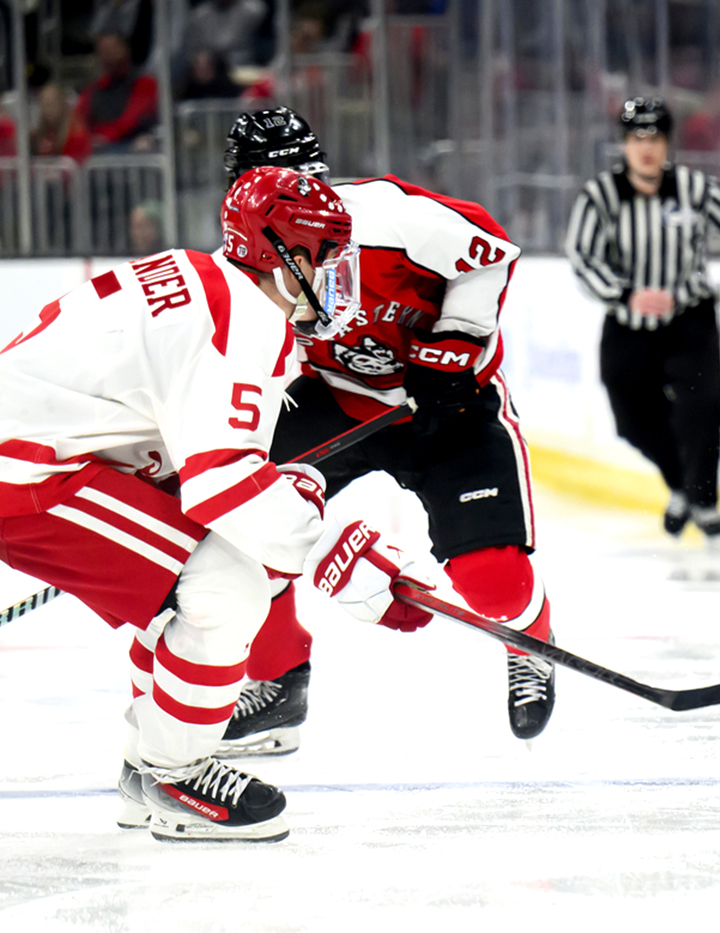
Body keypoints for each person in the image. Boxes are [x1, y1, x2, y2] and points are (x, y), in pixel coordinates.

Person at [0, 166, 431, 841]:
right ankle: (176, 774)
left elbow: (204, 465)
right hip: (30, 471)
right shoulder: (247, 322)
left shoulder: (203, 279)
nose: (331, 277)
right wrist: (332, 553)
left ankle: (149, 768)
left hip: (44, 454)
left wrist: (299, 505)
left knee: (187, 584)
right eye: (322, 256)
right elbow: (220, 485)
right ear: (280, 253)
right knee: (224, 583)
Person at [215, 107, 556, 758]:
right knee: (247, 519)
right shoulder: (240, 264)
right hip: (335, 401)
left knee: (495, 584)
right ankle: (279, 681)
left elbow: (488, 256)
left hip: (443, 408)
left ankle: (528, 638)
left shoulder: (393, 219)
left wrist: (453, 347)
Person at [565, 97, 720, 545]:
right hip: (627, 323)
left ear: (668, 143)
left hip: (688, 320)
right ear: (623, 144)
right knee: (631, 419)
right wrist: (625, 293)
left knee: (703, 408)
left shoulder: (695, 189)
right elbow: (581, 258)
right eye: (637, 138)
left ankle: (705, 503)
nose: (647, 148)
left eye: (655, 137)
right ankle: (682, 485)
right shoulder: (600, 196)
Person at [75, 32, 158, 150]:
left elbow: (132, 119)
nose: (106, 56)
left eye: (111, 49)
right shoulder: (93, 88)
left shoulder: (145, 83)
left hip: (131, 145)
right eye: (102, 51)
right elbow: (78, 119)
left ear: (125, 50)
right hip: (98, 147)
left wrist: (106, 136)